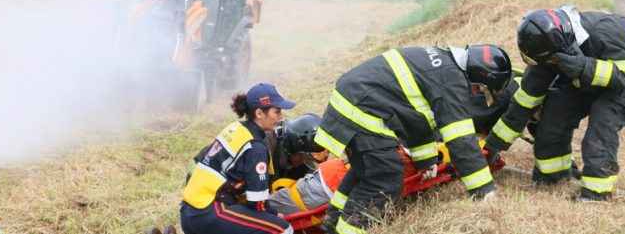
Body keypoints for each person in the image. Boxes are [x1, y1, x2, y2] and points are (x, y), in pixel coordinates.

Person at [313, 44, 514, 234]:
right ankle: (348, 229)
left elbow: (417, 120)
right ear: (479, 78)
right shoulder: (451, 82)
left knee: (367, 168)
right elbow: (461, 141)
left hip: (353, 102)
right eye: (480, 90)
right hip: (360, 110)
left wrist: (425, 161)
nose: (476, 94)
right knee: (385, 177)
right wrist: (484, 190)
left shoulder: (442, 63)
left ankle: (333, 219)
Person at [484, 5, 625, 202]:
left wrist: (582, 67)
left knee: (603, 119)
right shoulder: (548, 51)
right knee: (554, 113)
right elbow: (523, 103)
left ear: (561, 49)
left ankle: (596, 194)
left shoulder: (604, 30)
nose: (547, 64)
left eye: (551, 59)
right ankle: (554, 176)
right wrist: (492, 148)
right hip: (585, 70)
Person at [180, 83, 295, 234]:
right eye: (277, 111)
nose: (281, 117)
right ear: (259, 113)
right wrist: (274, 215)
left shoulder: (235, 128)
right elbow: (257, 203)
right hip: (211, 212)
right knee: (283, 229)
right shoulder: (255, 147)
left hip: (189, 211)